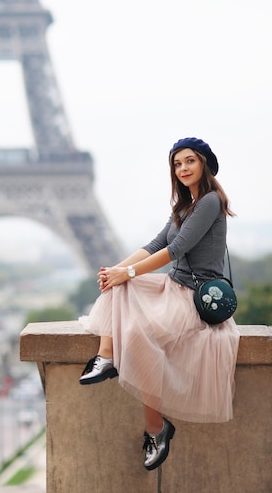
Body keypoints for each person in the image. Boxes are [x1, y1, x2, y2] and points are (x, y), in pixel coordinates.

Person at [78, 137, 240, 471]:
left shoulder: (210, 201)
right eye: (177, 163)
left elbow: (177, 248)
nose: (183, 168)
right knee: (119, 287)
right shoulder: (184, 206)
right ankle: (107, 356)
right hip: (172, 287)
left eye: (190, 161)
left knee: (138, 335)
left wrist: (130, 271)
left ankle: (156, 427)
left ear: (205, 164)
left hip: (193, 297)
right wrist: (115, 270)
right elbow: (155, 243)